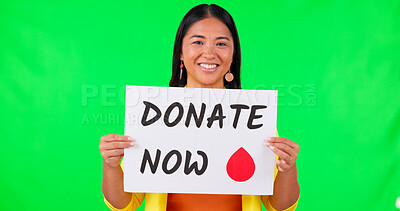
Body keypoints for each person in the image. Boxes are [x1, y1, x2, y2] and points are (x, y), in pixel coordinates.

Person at [99, 4, 300, 211]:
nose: (209, 53)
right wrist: (111, 165)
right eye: (198, 42)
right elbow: (125, 203)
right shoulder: (155, 115)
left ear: (233, 55)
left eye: (221, 44)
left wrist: (287, 169)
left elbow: (279, 207)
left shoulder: (253, 119)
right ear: (180, 53)